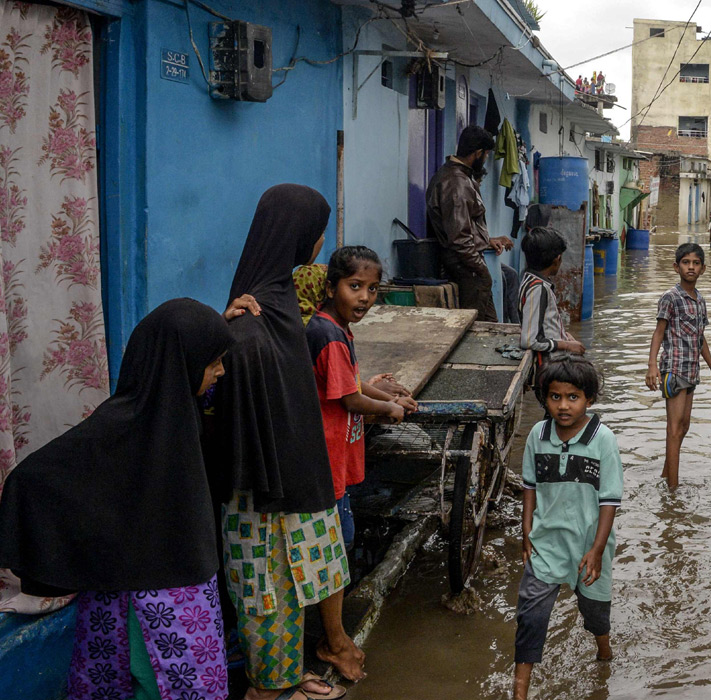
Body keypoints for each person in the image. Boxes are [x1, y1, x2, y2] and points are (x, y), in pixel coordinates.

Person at [0, 299, 235, 700]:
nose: (221, 371)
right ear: (183, 362)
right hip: (146, 608)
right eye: (213, 361)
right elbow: (32, 478)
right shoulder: (122, 424)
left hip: (181, 593)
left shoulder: (178, 414)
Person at [214, 184, 348, 700]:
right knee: (268, 590)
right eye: (317, 234)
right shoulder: (252, 321)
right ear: (301, 239)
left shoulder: (280, 299)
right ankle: (268, 690)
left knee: (287, 587)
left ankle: (287, 676)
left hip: (285, 476)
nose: (319, 243)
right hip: (261, 488)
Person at [306, 245, 416, 682]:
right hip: (328, 460)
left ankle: (330, 631)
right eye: (355, 287)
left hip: (337, 457)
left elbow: (352, 383)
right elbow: (349, 398)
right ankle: (331, 640)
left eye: (372, 289)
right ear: (332, 286)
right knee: (335, 551)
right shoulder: (329, 334)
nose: (365, 297)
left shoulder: (336, 328)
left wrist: (387, 393)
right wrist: (387, 409)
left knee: (343, 542)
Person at [513, 357, 623, 700]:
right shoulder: (538, 434)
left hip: (590, 545)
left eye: (572, 397)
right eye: (555, 397)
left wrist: (597, 550)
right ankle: (519, 691)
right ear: (545, 399)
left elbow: (609, 501)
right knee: (530, 616)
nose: (563, 405)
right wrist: (526, 527)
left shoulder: (603, 440)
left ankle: (604, 650)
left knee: (594, 613)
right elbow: (529, 485)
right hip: (547, 541)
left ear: (589, 399)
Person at [644, 243, 711, 491]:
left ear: (703, 269)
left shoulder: (700, 301)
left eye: (696, 263)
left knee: (684, 426)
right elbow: (658, 333)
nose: (691, 267)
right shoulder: (670, 297)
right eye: (686, 262)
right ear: (676, 267)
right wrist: (652, 366)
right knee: (674, 429)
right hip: (674, 369)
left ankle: (666, 476)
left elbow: (700, 338)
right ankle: (673, 492)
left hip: (692, 371)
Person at [426, 125, 514, 322]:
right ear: (478, 153)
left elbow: (463, 225)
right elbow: (459, 238)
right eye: (486, 154)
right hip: (464, 267)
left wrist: (486, 240)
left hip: (465, 264)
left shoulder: (454, 175)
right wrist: (481, 270)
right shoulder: (457, 182)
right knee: (479, 328)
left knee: (488, 325)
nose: (486, 159)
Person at [519, 227, 585, 399]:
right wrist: (566, 345)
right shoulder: (538, 289)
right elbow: (529, 340)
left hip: (551, 366)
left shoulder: (530, 279)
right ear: (557, 259)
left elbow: (544, 324)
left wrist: (564, 335)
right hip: (548, 368)